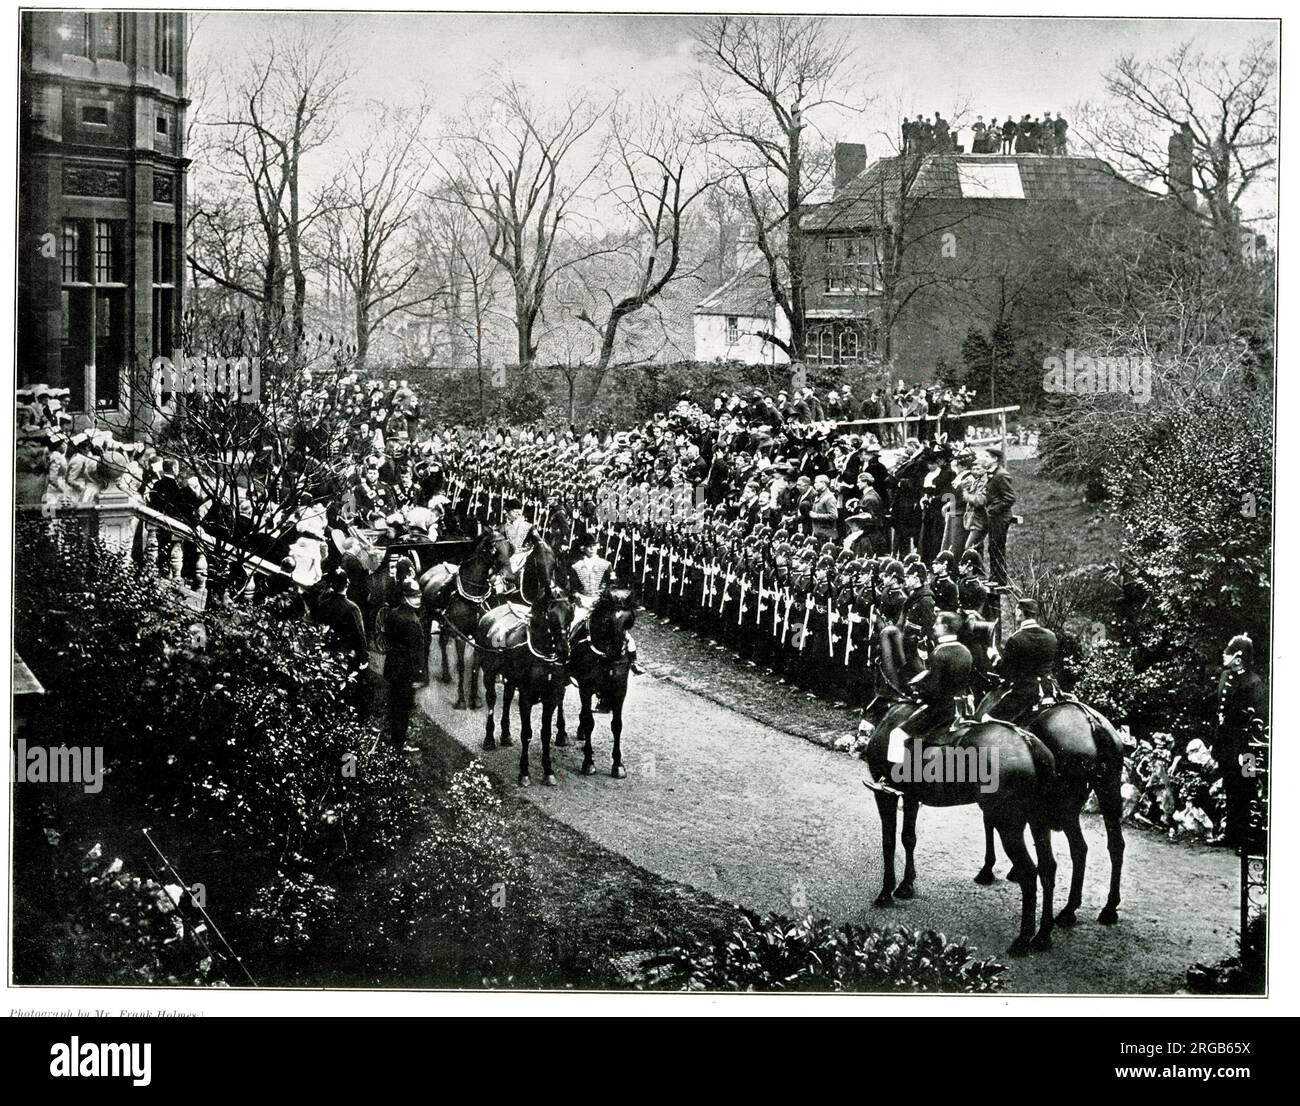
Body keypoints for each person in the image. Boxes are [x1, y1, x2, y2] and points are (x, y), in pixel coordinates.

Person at [871, 611, 974, 787]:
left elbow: (933, 690)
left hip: (941, 710)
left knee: (897, 735)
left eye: (937, 624)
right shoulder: (965, 651)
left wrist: (918, 694)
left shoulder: (940, 652)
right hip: (961, 708)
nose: (934, 626)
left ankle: (890, 781)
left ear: (946, 628)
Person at [1212, 634, 1268, 849]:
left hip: (1247, 750)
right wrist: (1216, 744)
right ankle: (1230, 835)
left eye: (1227, 653)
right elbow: (1220, 713)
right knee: (1230, 788)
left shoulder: (1254, 683)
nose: (1223, 656)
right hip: (1226, 746)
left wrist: (1244, 749)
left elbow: (1257, 722)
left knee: (1247, 790)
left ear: (1238, 658)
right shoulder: (1226, 676)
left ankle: (1247, 840)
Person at [982, 598, 1057, 723]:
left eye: (1017, 611)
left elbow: (1006, 673)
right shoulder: (1051, 636)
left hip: (1025, 693)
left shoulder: (1016, 639)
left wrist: (994, 656)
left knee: (986, 720)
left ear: (1020, 612)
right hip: (1050, 689)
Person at [316, 567, 370, 715]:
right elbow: (360, 635)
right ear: (347, 584)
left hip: (327, 651)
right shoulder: (352, 608)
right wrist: (363, 657)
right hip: (347, 654)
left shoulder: (323, 605)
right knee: (350, 688)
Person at [384, 576, 427, 751]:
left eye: (419, 596)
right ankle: (399, 743)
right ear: (405, 597)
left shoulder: (393, 613)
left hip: (392, 666)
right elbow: (417, 652)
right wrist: (419, 675)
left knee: (394, 703)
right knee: (403, 707)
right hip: (406, 671)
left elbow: (388, 638)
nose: (418, 599)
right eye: (414, 596)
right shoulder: (413, 621)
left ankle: (395, 737)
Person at [981, 447, 1016, 585]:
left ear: (995, 459)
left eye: (987, 457)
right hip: (994, 517)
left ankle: (1000, 579)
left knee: (997, 546)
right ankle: (994, 577)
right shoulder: (992, 474)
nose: (985, 459)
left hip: (1000, 517)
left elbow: (1010, 498)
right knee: (993, 547)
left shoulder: (1001, 475)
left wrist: (993, 509)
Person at [809, 474, 839, 543]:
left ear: (823, 484)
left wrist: (817, 516)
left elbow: (834, 516)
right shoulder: (819, 496)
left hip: (827, 536)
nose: (814, 485)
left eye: (816, 483)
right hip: (819, 534)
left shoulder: (829, 497)